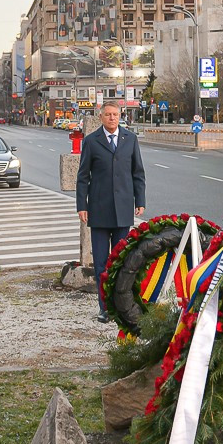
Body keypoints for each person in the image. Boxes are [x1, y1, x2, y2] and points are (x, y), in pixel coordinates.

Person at [76, 98, 146, 322]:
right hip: (99, 210)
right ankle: (104, 307)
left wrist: (140, 200)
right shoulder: (91, 141)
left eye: (115, 115)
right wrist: (82, 206)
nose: (112, 118)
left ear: (120, 116)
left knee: (121, 262)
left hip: (124, 209)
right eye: (108, 115)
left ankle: (121, 307)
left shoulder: (130, 139)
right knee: (101, 263)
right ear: (101, 117)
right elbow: (83, 177)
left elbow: (138, 172)